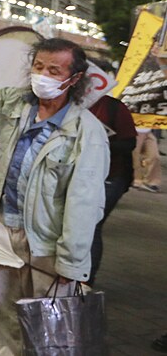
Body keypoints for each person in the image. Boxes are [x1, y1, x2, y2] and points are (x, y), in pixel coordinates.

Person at [0, 28, 109, 356]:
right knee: (2, 311)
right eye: (39, 66)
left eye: (54, 70)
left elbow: (84, 202)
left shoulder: (85, 132)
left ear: (73, 80)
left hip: (45, 245)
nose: (43, 75)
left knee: (45, 322)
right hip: (4, 231)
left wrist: (71, 265)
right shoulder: (15, 103)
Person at [87, 59, 137, 282]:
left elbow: (129, 144)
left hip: (110, 177)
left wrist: (97, 142)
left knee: (91, 224)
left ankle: (85, 281)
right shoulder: (66, 103)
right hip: (79, 176)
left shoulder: (115, 108)